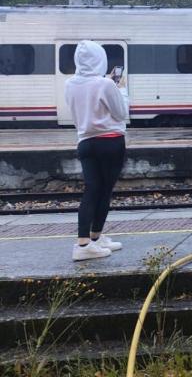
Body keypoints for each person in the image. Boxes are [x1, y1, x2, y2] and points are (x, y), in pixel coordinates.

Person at [65, 40, 129, 261]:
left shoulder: (70, 84)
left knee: (91, 190)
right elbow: (121, 114)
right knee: (103, 192)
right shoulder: (106, 84)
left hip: (85, 143)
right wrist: (120, 88)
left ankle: (93, 239)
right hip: (110, 141)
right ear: (100, 59)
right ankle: (85, 244)